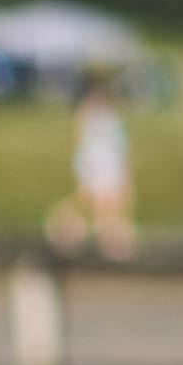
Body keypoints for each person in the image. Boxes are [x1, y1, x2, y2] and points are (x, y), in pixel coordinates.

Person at [46, 80, 135, 261]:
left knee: (102, 211)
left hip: (102, 169)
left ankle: (77, 239)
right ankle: (73, 238)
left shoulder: (98, 121)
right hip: (99, 169)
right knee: (101, 211)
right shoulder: (94, 121)